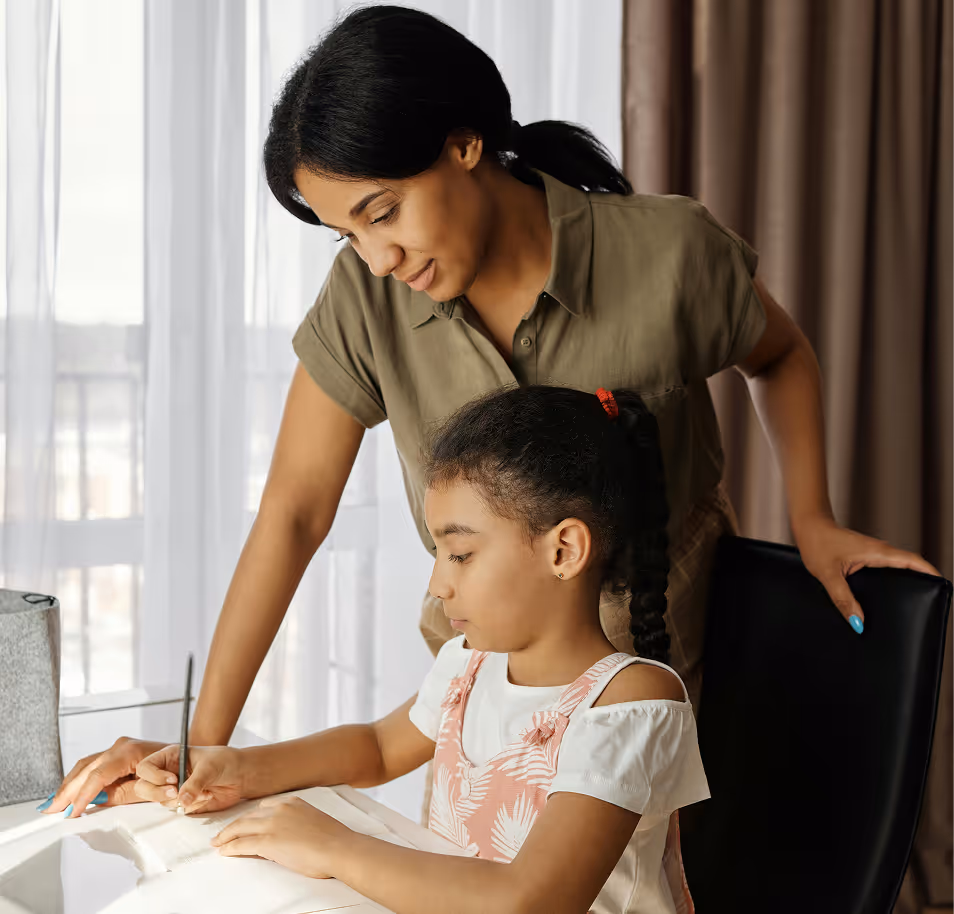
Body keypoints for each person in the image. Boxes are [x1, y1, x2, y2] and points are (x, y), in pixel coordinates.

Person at [46, 4, 938, 819]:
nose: (378, 256)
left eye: (383, 212)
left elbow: (777, 353)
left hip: (666, 673)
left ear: (464, 144)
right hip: (479, 698)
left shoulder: (667, 256)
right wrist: (203, 749)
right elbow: (293, 513)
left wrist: (813, 517)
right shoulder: (367, 298)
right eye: (347, 233)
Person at [134, 385, 709, 914]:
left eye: (459, 554)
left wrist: (336, 848)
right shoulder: (469, 665)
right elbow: (378, 750)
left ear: (564, 550)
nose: (437, 583)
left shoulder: (631, 703)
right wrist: (239, 767)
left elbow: (531, 900)